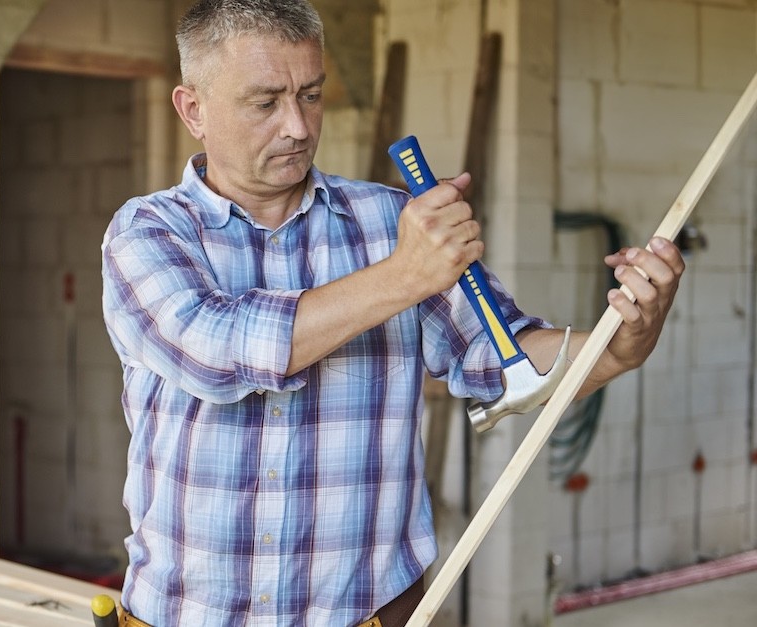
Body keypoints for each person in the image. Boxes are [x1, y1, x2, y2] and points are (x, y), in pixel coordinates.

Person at [99, 1, 683, 625]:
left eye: (312, 95)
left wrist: (618, 346)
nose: (297, 126)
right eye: (266, 103)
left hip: (371, 613)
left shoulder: (390, 222)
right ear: (194, 110)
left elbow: (504, 356)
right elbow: (215, 353)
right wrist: (402, 278)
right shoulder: (147, 233)